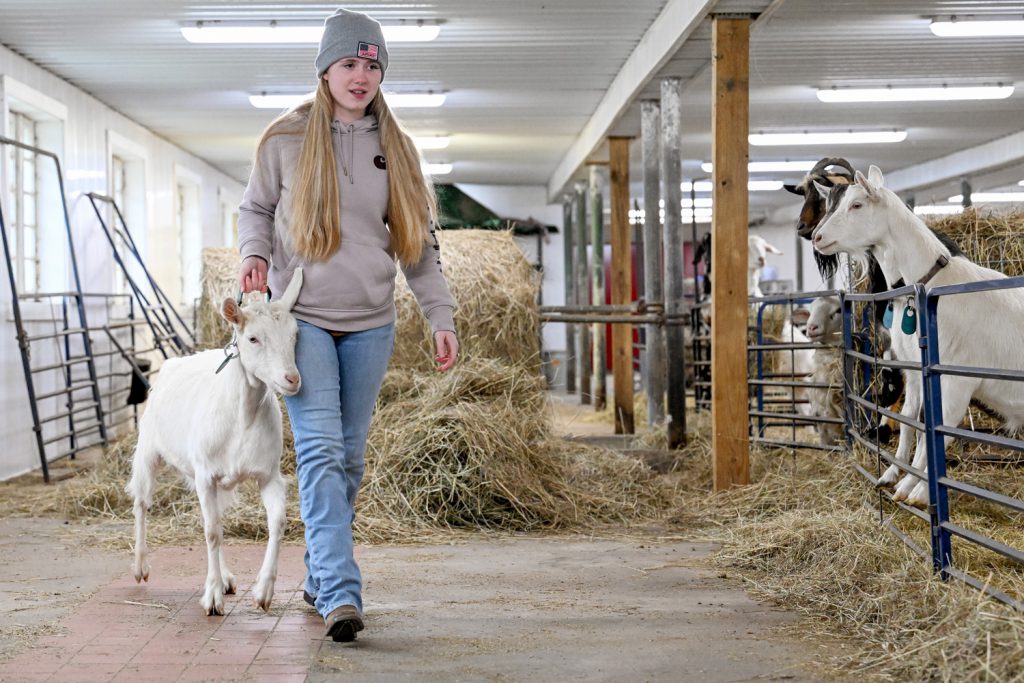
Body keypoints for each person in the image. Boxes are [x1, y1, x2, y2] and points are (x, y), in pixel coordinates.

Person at [237, 7, 459, 642]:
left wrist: (439, 313)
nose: (361, 76)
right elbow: (255, 208)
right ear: (324, 70)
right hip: (300, 324)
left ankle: (316, 575)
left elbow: (417, 243)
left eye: (371, 65)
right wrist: (255, 254)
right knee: (319, 452)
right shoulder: (283, 140)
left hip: (370, 323)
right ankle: (339, 592)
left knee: (350, 458)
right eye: (348, 64)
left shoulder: (398, 150)